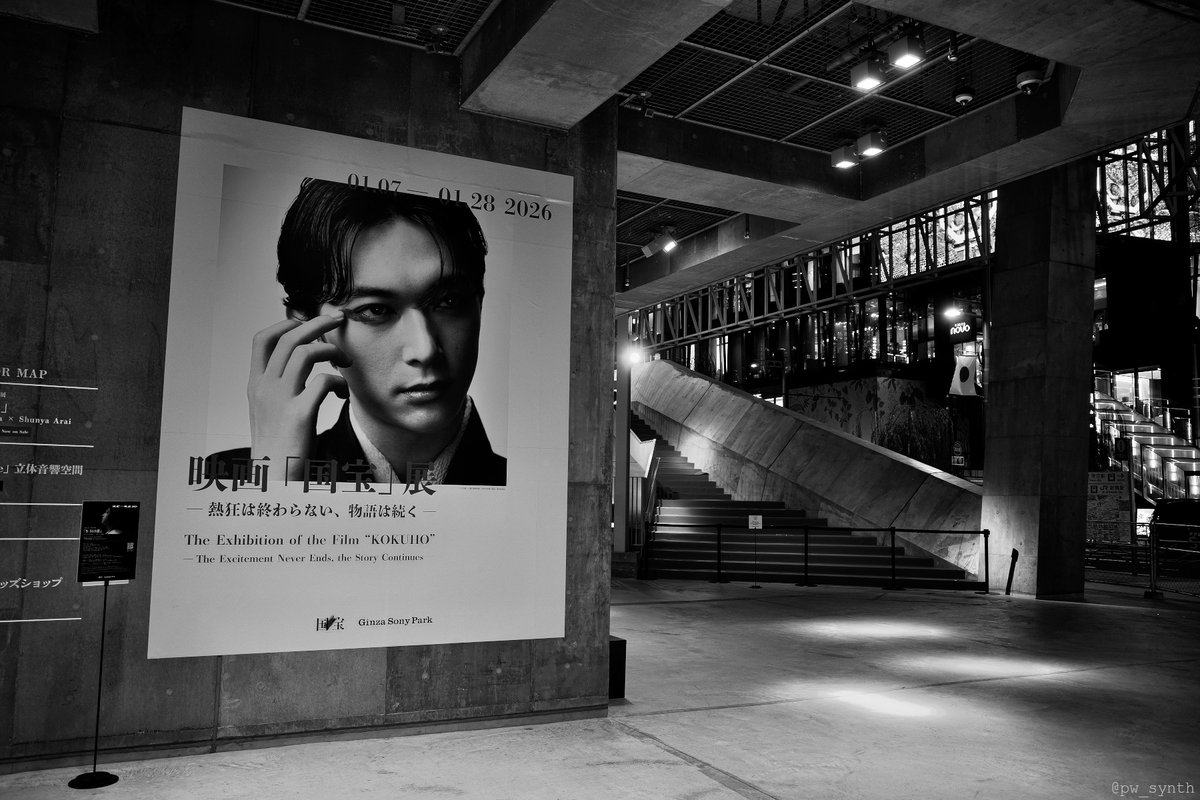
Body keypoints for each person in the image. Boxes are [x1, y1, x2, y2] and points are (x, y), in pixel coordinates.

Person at [210, 178, 505, 487]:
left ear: (479, 304)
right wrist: (277, 486)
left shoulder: (537, 484)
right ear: (311, 329)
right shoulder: (228, 477)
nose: (425, 349)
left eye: (448, 301)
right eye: (376, 310)